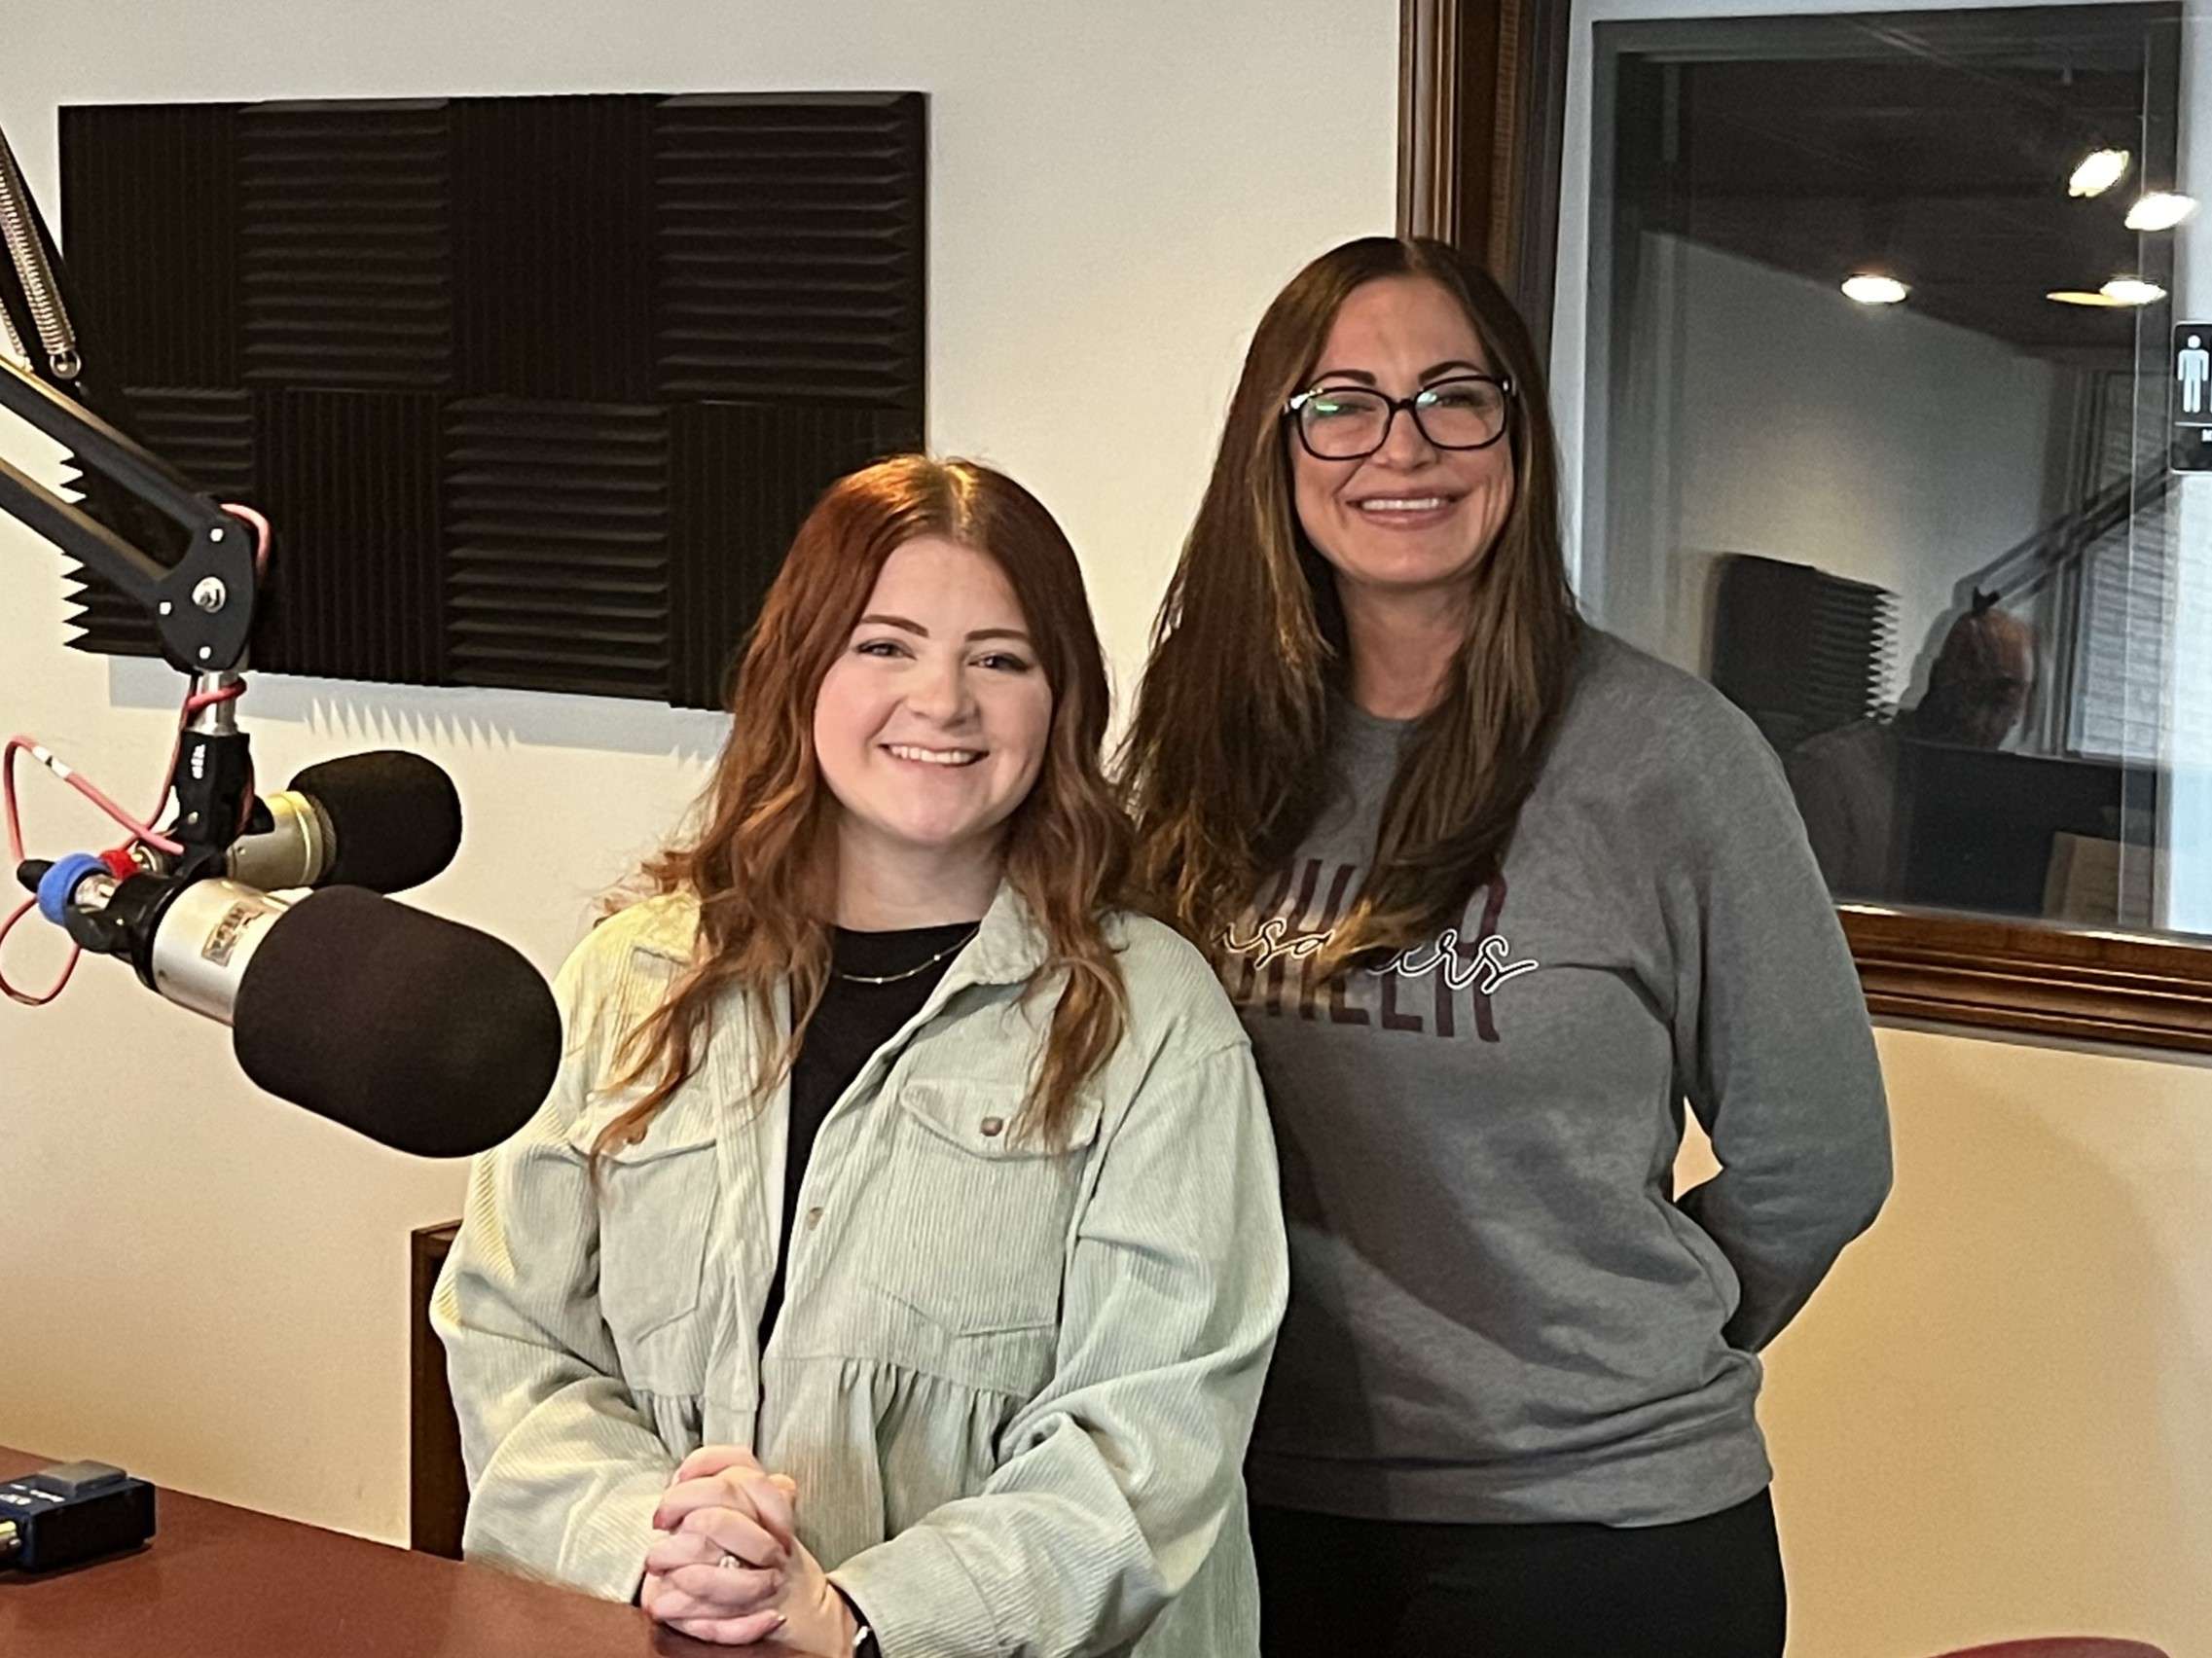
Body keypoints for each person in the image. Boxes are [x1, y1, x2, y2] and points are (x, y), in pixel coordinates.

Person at [1120, 236, 1892, 1658]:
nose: (1398, 446)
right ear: (1274, 448)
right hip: (1243, 1501)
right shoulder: (1195, 751)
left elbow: (1821, 1155)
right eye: (1340, 402)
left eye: (1451, 396)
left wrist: (1615, 1355)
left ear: (1515, 434)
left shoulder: (1666, 757)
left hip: (1596, 1538)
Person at [434, 455, 1287, 1655]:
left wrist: (856, 1614)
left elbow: (1151, 1439)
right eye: (884, 645)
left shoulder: (1150, 1015)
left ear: (1061, 701)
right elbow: (511, 1335)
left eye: (999, 658)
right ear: (802, 669)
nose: (942, 701)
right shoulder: (630, 980)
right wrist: (654, 1538)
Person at [1787, 594, 2037, 899]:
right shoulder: (1830, 774)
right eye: (1973, 688)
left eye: (2003, 701)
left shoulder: (2004, 800)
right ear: (1937, 678)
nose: (1982, 718)